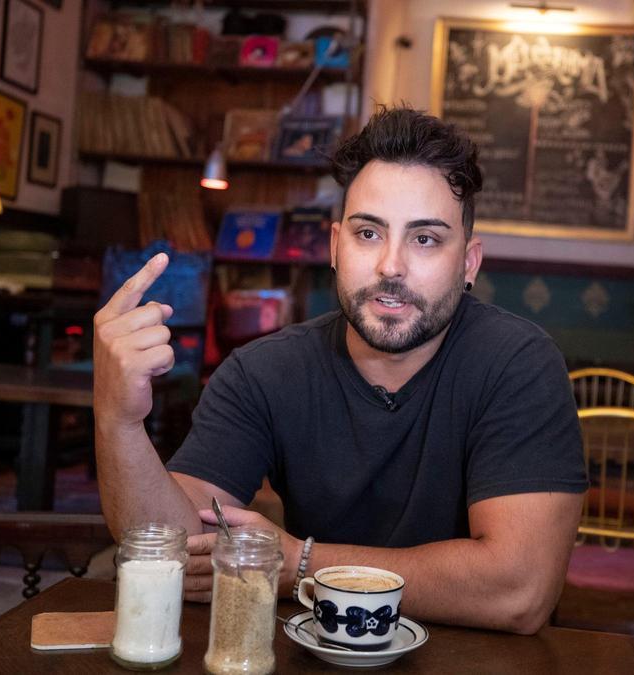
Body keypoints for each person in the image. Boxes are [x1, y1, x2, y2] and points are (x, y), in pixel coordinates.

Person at [94, 107, 586, 634]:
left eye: (425, 239)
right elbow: (173, 554)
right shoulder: (264, 372)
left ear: (468, 263)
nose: (391, 266)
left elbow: (519, 591)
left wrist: (302, 565)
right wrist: (117, 420)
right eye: (368, 233)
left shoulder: (518, 365)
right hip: (314, 654)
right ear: (334, 247)